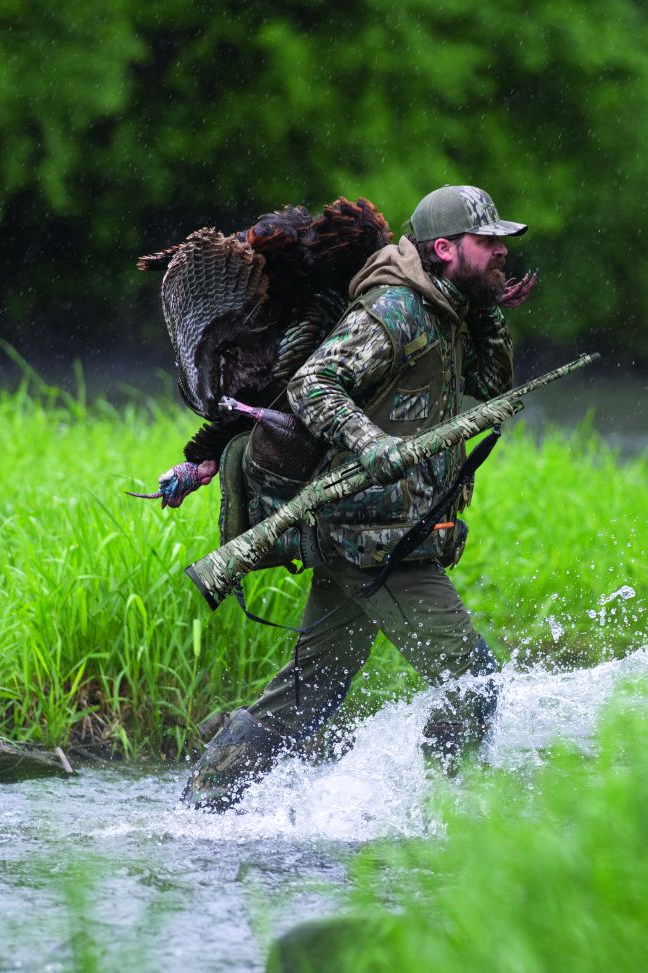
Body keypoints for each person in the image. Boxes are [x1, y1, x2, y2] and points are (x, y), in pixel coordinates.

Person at [183, 185, 536, 811]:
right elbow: (316, 385)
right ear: (447, 249)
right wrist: (371, 444)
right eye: (488, 243)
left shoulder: (449, 308)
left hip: (368, 535)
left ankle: (201, 807)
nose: (500, 252)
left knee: (308, 697)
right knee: (475, 684)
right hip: (379, 544)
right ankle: (445, 815)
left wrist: (489, 313)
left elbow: (488, 383)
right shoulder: (396, 310)